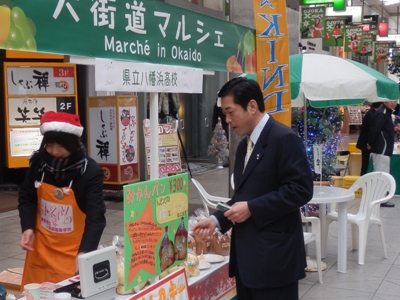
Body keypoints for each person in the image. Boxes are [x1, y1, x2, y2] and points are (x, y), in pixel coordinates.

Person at [192, 77, 313, 299]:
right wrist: (218, 219)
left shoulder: (284, 139)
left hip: (275, 261)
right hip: (247, 262)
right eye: (224, 114)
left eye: (230, 112)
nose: (227, 120)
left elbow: (300, 190)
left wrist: (252, 208)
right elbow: (243, 197)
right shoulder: (242, 147)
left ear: (252, 106)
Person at [18, 111, 106, 287]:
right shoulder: (39, 164)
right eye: (50, 145)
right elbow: (27, 197)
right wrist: (27, 227)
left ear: (73, 144)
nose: (54, 152)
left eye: (61, 146)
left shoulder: (89, 172)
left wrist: (85, 252)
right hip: (40, 250)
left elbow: (96, 218)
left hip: (72, 253)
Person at [367, 101, 400, 207]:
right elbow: (375, 129)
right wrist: (370, 142)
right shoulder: (383, 113)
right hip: (382, 149)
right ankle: (380, 199)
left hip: (384, 149)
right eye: (391, 101)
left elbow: (383, 128)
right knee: (381, 173)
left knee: (383, 173)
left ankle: (381, 197)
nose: (393, 103)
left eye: (395, 101)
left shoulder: (387, 113)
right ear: (385, 101)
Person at [356, 102, 383, 175]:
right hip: (366, 144)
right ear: (380, 105)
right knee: (366, 164)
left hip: (365, 143)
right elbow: (371, 130)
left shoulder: (371, 113)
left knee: (366, 163)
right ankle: (364, 178)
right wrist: (370, 143)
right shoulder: (372, 115)